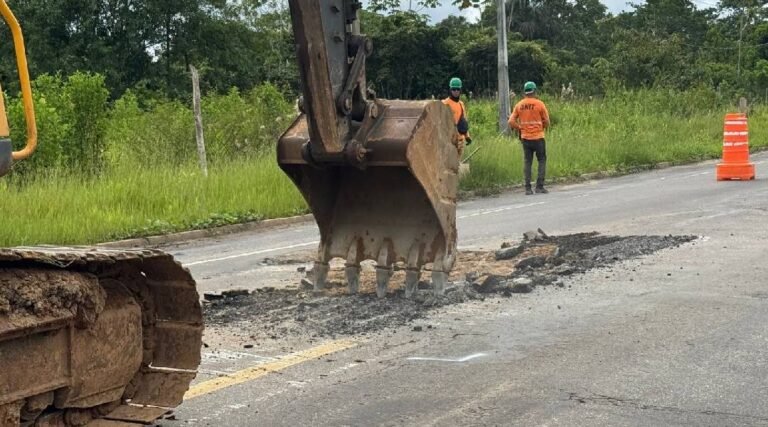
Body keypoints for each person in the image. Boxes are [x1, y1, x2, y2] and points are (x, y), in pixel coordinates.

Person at [509, 81, 550, 195]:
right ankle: (539, 187)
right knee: (541, 160)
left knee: (528, 161)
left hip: (525, 138)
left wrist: (520, 128)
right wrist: (542, 127)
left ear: (525, 92)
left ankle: (528, 188)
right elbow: (547, 121)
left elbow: (511, 121)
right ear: (534, 91)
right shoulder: (540, 104)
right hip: (538, 137)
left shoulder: (519, 105)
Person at [442, 77, 472, 152]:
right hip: (449, 141)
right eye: (454, 89)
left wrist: (467, 136)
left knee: (458, 159)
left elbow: (463, 121)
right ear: (450, 90)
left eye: (458, 89)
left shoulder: (461, 104)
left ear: (460, 90)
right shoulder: (445, 103)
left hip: (460, 141)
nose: (456, 91)